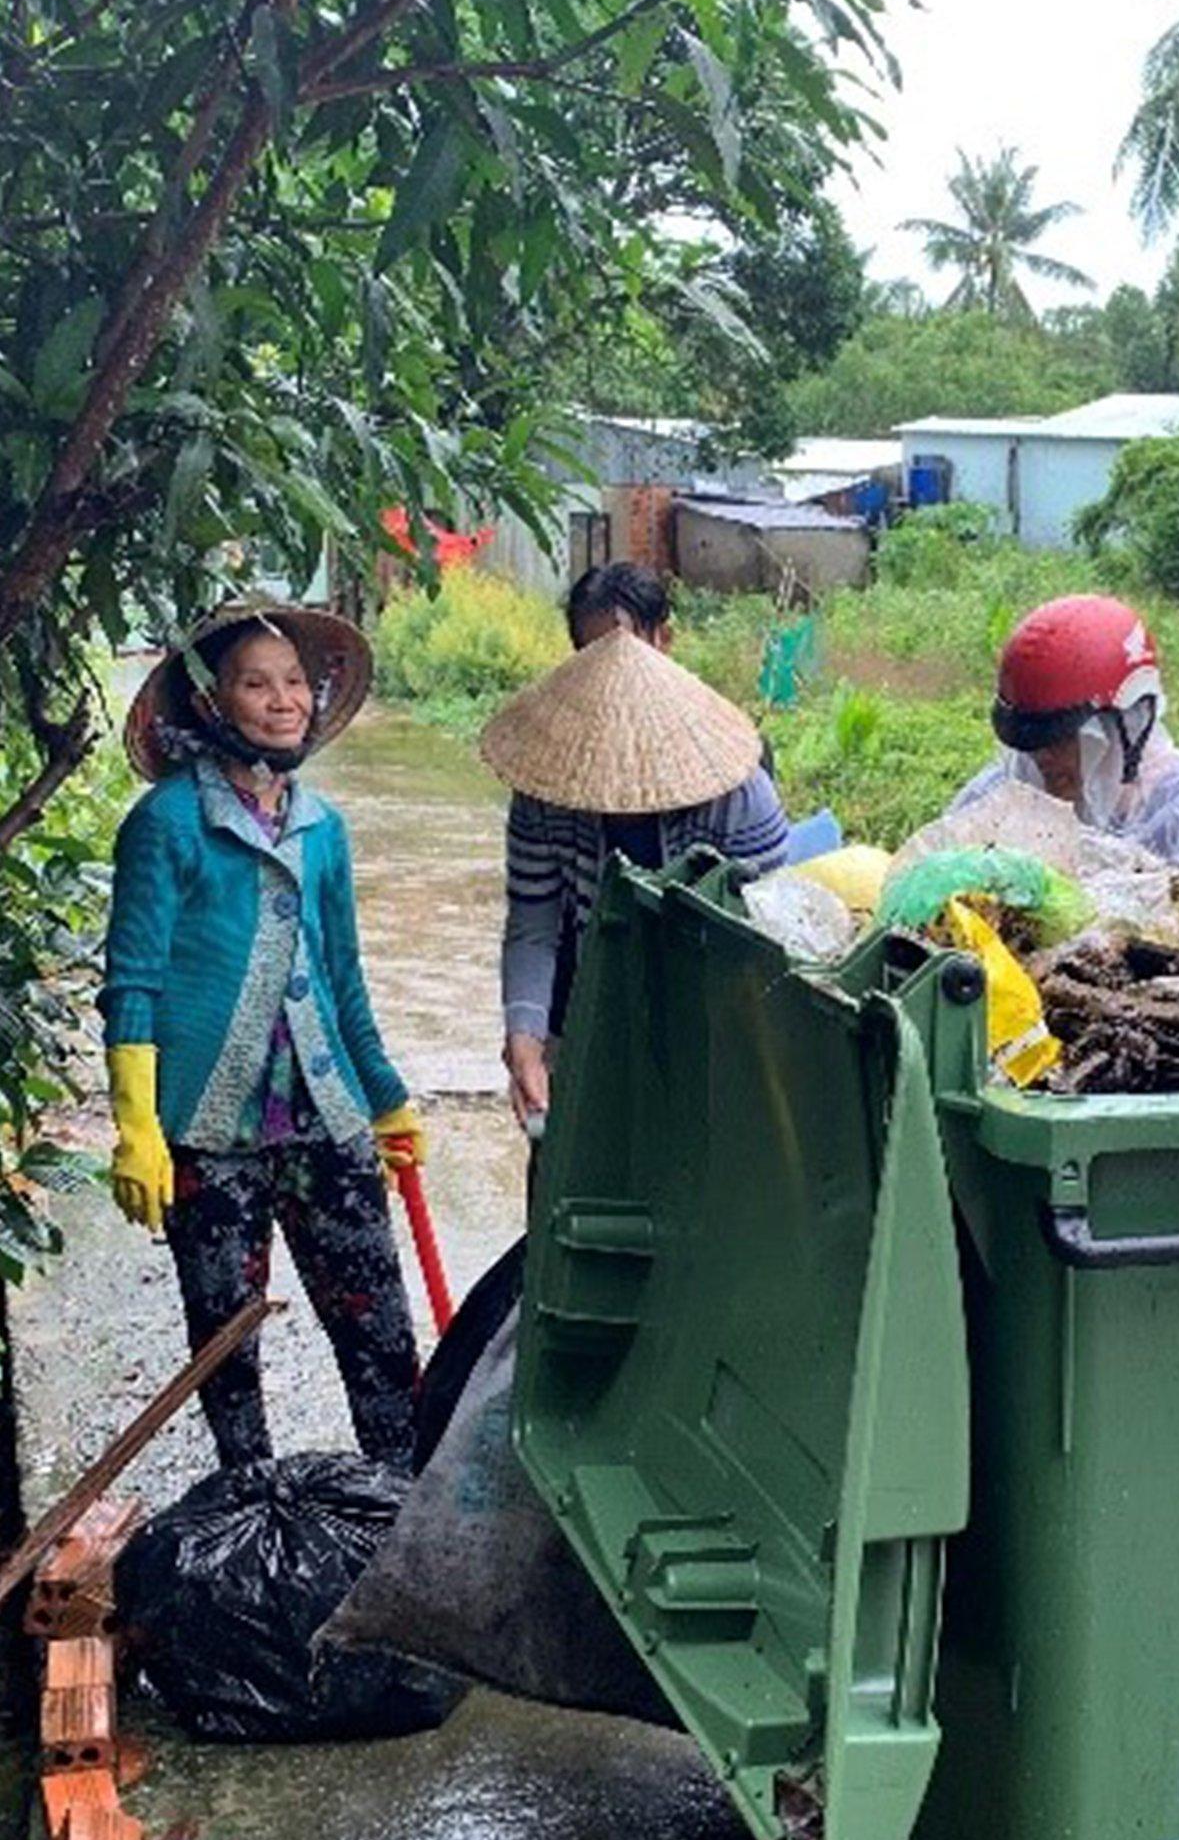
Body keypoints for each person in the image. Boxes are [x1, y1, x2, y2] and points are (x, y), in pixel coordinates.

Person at [102, 602, 426, 1470]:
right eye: (256, 682)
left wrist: (387, 1099)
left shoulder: (324, 827)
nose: (283, 701)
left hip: (326, 1117)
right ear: (213, 703)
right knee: (227, 1348)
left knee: (381, 1335)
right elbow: (132, 982)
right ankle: (250, 1508)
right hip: (210, 1136)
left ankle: (399, 1509)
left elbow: (345, 980)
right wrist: (136, 1128)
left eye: (293, 682)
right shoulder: (167, 824)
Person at [488, 563, 789, 1130]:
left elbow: (769, 940)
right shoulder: (543, 788)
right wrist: (524, 1037)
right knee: (564, 1164)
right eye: (591, 654)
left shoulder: (736, 787)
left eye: (627, 649)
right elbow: (534, 922)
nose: (610, 672)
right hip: (582, 1001)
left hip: (709, 1008)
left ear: (664, 641)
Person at [948, 592, 1179, 871]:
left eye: (1061, 739)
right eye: (1031, 743)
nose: (1041, 757)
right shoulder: (999, 793)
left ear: (1128, 726)